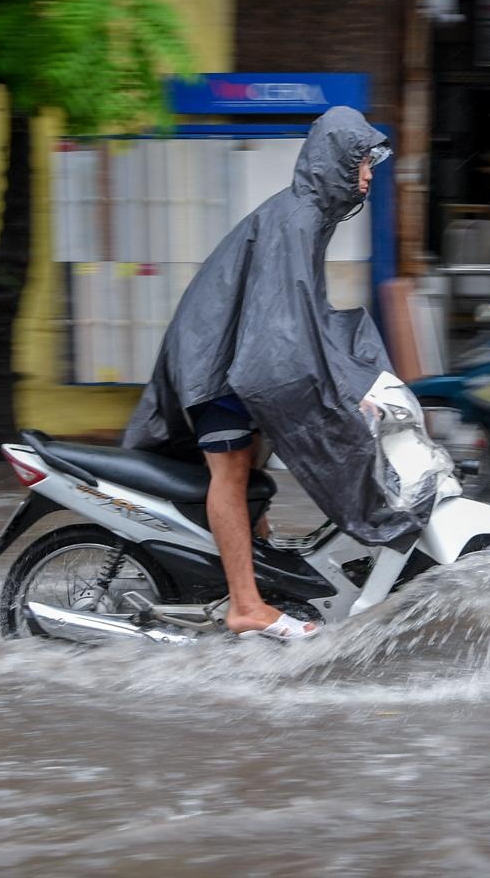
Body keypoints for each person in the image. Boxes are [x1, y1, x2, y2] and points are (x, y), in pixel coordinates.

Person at [124, 107, 404, 642]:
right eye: (362, 163)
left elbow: (303, 319)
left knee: (255, 475)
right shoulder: (297, 219)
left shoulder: (305, 216)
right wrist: (346, 392)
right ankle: (246, 606)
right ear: (336, 163)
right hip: (218, 363)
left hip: (231, 354)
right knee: (231, 473)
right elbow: (287, 325)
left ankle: (251, 580)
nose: (369, 174)